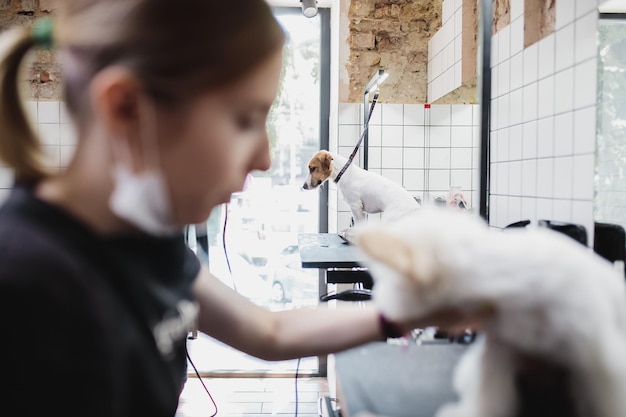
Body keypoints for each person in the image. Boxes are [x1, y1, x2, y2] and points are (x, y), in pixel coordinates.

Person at [0, 1, 486, 416]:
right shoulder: (29, 286)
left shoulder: (144, 243)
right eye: (244, 120)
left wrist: (412, 310)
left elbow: (268, 331)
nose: (265, 158)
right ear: (127, 109)